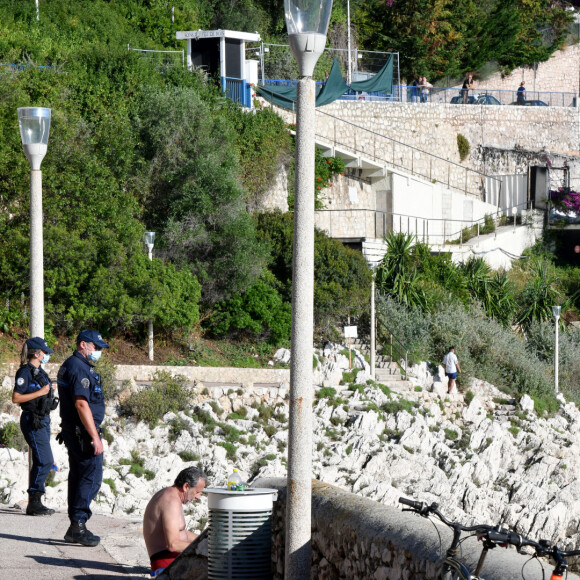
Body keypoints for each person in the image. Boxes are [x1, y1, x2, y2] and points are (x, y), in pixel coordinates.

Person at [56, 329, 109, 547]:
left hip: (74, 431)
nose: (98, 351)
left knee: (79, 477)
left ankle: (75, 526)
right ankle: (78, 524)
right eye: (96, 347)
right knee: (90, 477)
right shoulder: (78, 367)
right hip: (82, 433)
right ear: (83, 345)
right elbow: (80, 403)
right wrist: (94, 437)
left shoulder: (74, 365)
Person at [12, 337, 59, 516]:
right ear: (37, 353)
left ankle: (35, 502)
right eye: (45, 353)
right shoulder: (25, 372)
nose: (46, 355)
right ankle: (34, 501)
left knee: (42, 460)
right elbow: (16, 398)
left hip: (43, 419)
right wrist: (40, 392)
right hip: (32, 420)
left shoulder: (41, 372)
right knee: (45, 460)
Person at [143, 466, 208, 574]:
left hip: (171, 558)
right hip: (166, 561)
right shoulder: (171, 502)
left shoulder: (170, 495)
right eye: (197, 492)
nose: (198, 497)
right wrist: (203, 548)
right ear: (186, 486)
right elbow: (173, 544)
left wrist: (205, 540)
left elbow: (180, 532)